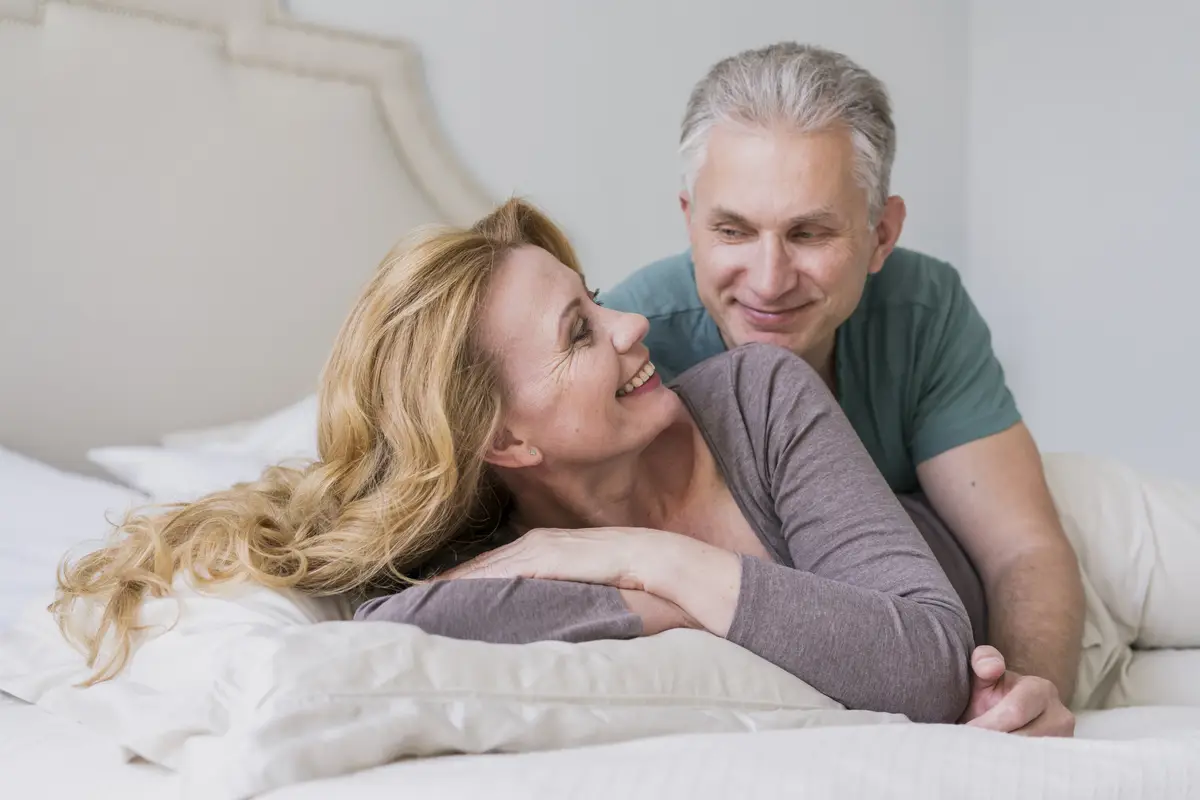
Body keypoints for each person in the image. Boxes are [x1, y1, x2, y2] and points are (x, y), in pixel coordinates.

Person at [53, 198, 973, 724]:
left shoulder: (758, 397)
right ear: (504, 442)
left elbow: (931, 662)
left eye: (596, 298)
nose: (633, 326)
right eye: (581, 332)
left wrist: (646, 561)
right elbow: (382, 629)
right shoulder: (495, 562)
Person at [602, 42, 1083, 736]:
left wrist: (1032, 692)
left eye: (809, 233)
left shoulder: (923, 307)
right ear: (689, 220)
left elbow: (1021, 547)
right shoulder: (632, 349)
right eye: (732, 230)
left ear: (881, 234)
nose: (768, 280)